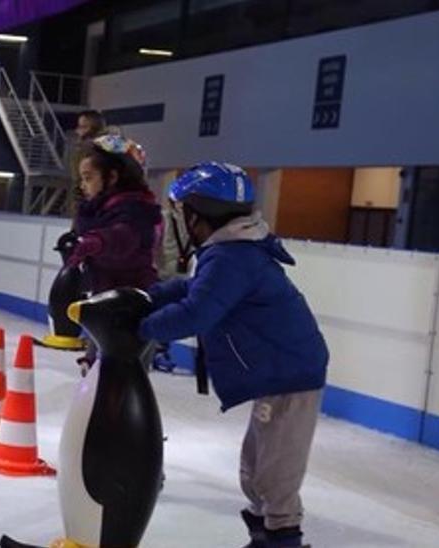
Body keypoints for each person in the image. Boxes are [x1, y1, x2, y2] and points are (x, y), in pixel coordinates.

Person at [138, 162, 328, 548]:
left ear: (197, 215)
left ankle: (281, 540)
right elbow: (195, 289)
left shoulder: (232, 257)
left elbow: (196, 313)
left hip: (290, 374)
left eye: (181, 212)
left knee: (275, 476)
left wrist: (139, 326)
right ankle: (264, 538)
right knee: (254, 468)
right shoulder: (230, 251)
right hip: (279, 371)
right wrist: (148, 297)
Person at [66, 134, 161, 371]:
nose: (82, 186)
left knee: (121, 384)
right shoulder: (102, 210)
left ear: (113, 177)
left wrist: (94, 242)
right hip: (107, 306)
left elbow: (123, 237)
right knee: (97, 380)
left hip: (130, 311)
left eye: (88, 178)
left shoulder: (137, 211)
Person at [67, 109, 108, 216]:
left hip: (92, 205)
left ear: (90, 128)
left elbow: (78, 180)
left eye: (81, 127)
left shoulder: (85, 149)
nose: (77, 131)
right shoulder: (119, 145)